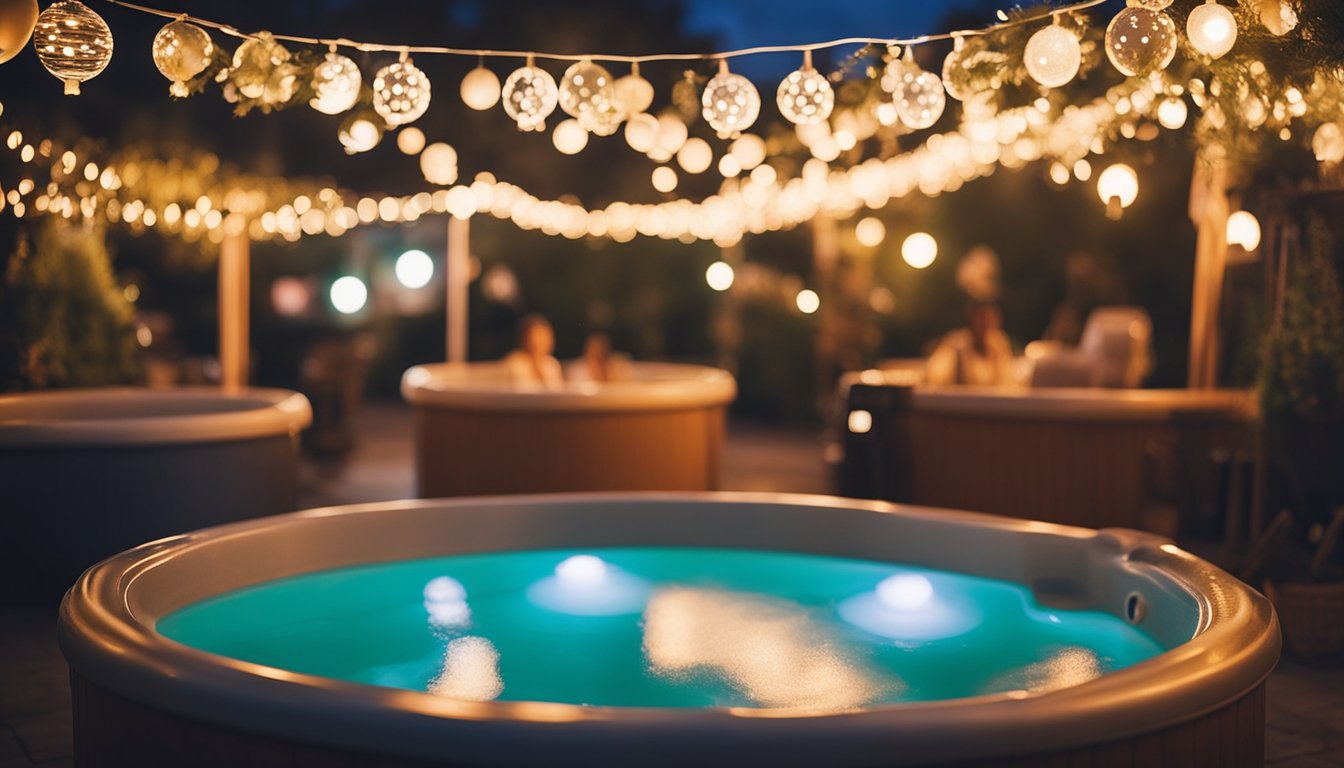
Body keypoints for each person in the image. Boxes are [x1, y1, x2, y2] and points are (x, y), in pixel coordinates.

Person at [925, 301, 1014, 386]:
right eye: (981, 320)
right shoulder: (954, 350)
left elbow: (1007, 384)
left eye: (990, 321)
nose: (985, 326)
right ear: (971, 322)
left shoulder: (999, 347)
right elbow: (935, 379)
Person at [502, 314, 563, 389]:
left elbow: (558, 392)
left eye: (545, 336)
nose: (541, 341)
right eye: (537, 335)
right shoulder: (514, 364)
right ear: (524, 338)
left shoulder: (552, 364)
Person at [568, 333, 633, 384]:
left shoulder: (619, 370)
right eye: (594, 355)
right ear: (587, 354)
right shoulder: (577, 372)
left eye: (602, 355)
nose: (598, 359)